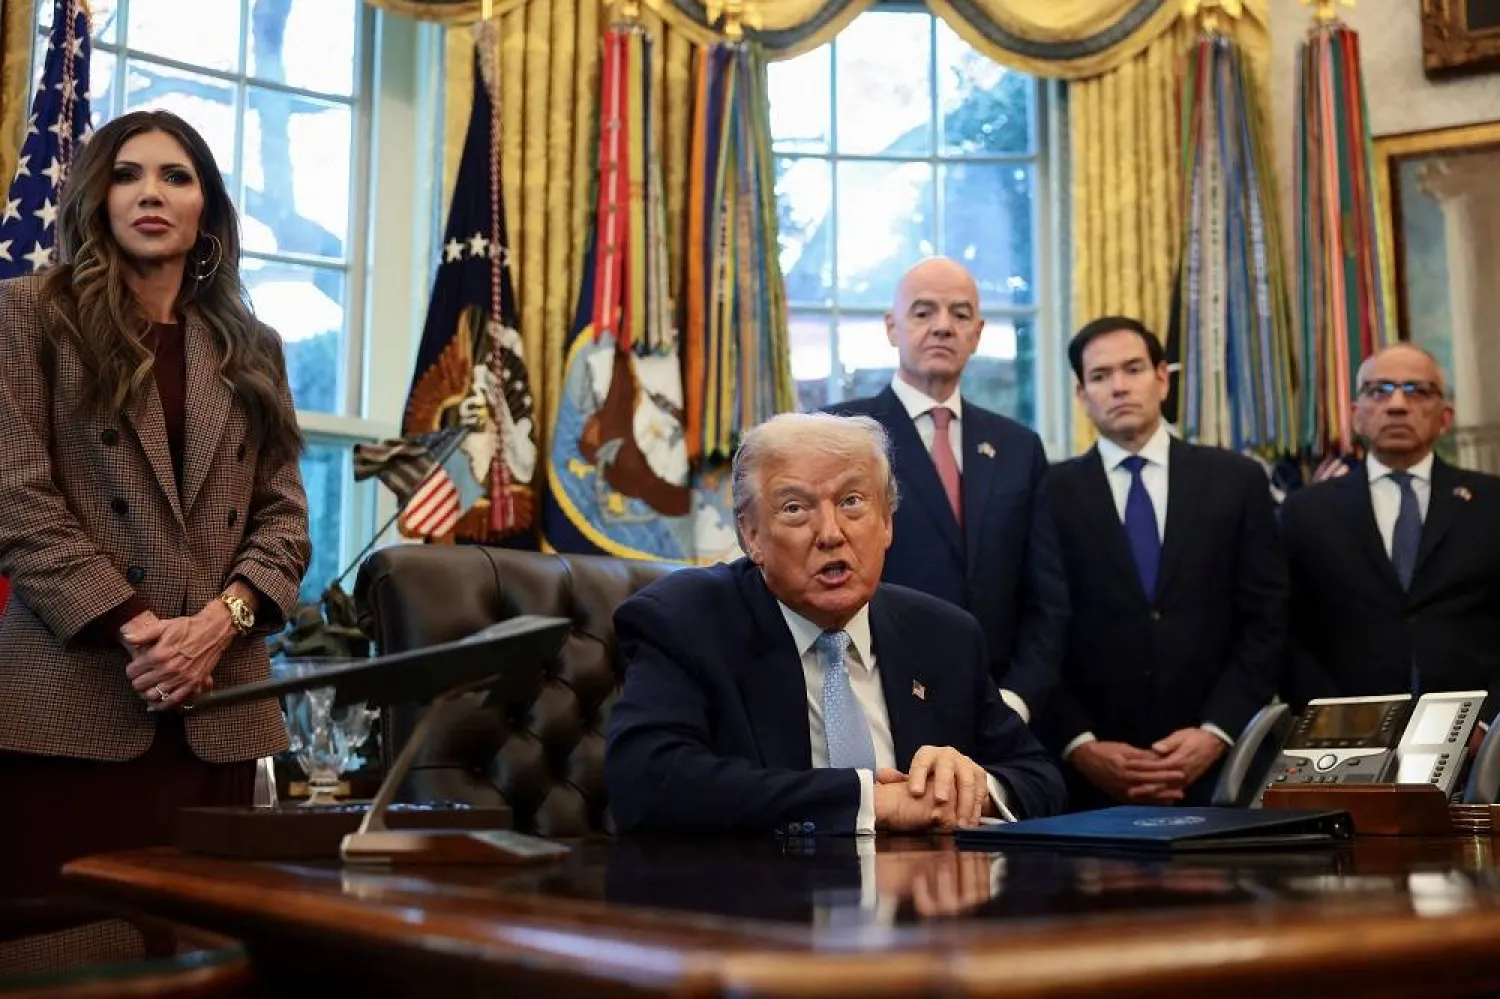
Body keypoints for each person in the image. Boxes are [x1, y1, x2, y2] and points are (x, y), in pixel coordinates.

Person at [0, 110, 311, 895]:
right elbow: (18, 500)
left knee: (208, 954)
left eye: (177, 176)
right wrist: (147, 635)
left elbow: (284, 520)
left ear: (206, 207)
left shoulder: (253, 345)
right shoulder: (27, 314)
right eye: (128, 173)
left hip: (220, 712)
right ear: (97, 197)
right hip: (71, 703)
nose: (151, 192)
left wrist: (218, 626)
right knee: (65, 957)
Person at [606, 412, 1066, 835]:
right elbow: (647, 782)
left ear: (886, 522)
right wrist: (872, 802)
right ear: (750, 535)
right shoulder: (685, 620)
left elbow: (1039, 777)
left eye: (851, 501)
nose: (830, 533)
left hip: (925, 910)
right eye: (794, 508)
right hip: (761, 908)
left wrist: (973, 789)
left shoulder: (945, 634)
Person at [1042, 318, 1287, 809]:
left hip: (1223, 767)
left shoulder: (1237, 480)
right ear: (1081, 393)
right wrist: (1080, 744)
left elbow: (1268, 620)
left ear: (1163, 378)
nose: (1119, 386)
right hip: (1091, 780)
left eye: (1133, 369)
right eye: (1101, 375)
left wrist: (1217, 731)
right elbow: (1037, 630)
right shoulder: (1047, 492)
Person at [826, 257, 1068, 725]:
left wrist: (1017, 698)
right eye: (923, 312)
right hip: (876, 704)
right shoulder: (840, 435)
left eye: (959, 314)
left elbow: (1047, 599)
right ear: (892, 327)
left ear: (976, 334)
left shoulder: (1018, 446)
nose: (942, 327)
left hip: (1000, 709)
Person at [1281, 343, 1500, 712]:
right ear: (1356, 416)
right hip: (1348, 736)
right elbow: (1285, 634)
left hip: (1480, 741)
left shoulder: (1491, 503)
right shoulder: (1306, 511)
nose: (1397, 405)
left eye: (1417, 391)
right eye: (1378, 391)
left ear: (1445, 417)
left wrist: (1488, 722)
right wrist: (1336, 717)